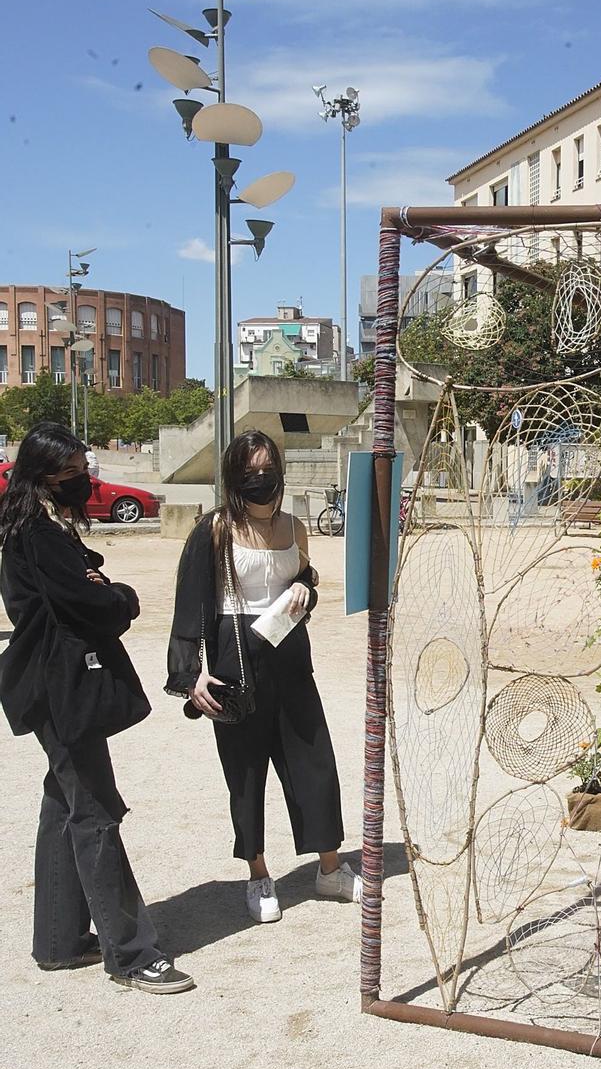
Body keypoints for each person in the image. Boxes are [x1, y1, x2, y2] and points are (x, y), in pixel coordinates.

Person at [0, 422, 194, 992]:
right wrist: (121, 596)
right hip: (60, 690)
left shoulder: (39, 530)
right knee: (94, 812)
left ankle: (59, 941)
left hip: (52, 687)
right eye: (74, 473)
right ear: (44, 478)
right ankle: (132, 954)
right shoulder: (36, 536)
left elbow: (80, 591)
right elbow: (92, 604)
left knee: (64, 802)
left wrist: (97, 586)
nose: (84, 480)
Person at [166, 430, 361, 923]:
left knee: (314, 761)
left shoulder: (295, 526)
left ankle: (329, 868)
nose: (261, 480)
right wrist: (190, 674)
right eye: (250, 472)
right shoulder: (214, 530)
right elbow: (190, 605)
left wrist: (303, 593)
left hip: (291, 654)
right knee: (246, 773)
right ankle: (258, 875)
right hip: (235, 659)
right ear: (234, 477)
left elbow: (306, 581)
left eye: (267, 470)